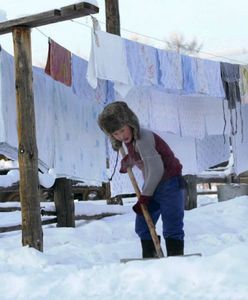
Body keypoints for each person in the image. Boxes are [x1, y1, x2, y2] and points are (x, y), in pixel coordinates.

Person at [98, 101, 185, 258]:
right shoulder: (130, 142)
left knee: (172, 225)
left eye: (122, 130)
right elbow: (141, 158)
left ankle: (176, 260)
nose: (121, 136)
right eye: (115, 134)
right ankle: (151, 257)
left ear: (131, 123)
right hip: (153, 185)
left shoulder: (143, 138)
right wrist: (128, 161)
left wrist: (145, 196)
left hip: (170, 183)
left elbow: (157, 169)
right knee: (143, 225)